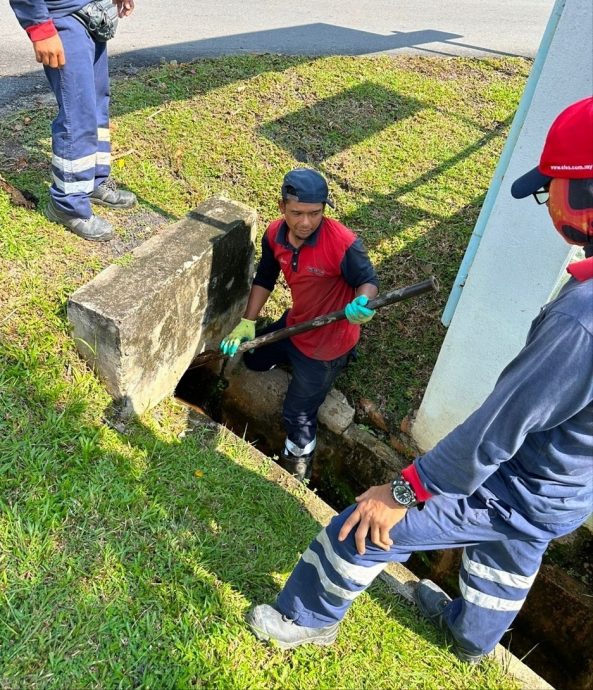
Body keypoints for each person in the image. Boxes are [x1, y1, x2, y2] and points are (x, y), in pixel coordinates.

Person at [247, 98, 593, 663]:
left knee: (361, 526)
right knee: (504, 563)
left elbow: (498, 428)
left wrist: (403, 492)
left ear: (587, 195)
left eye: (550, 187)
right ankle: (470, 640)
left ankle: (306, 620)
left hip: (520, 484)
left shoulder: (581, 321)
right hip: (565, 489)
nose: (547, 203)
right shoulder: (276, 236)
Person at [220, 168, 379, 482]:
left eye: (315, 213)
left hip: (327, 345)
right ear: (282, 207)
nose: (305, 222)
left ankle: (298, 464)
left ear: (324, 209)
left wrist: (364, 303)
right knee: (252, 357)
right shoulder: (274, 234)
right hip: (296, 324)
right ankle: (286, 356)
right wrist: (247, 322)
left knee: (297, 413)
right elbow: (265, 277)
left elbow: (368, 281)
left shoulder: (343, 243)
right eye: (297, 213)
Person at [9, 0, 137, 242]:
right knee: (76, 114)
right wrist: (39, 27)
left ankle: (94, 181)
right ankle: (67, 204)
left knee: (96, 105)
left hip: (92, 11)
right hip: (62, 17)